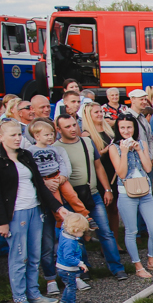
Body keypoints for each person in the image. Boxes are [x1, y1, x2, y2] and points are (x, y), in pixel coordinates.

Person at [0, 120, 69, 303]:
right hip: (15, 213)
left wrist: (58, 208)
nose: (17, 138)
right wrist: (2, 222)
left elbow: (40, 186)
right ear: (1, 137)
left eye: (19, 134)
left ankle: (33, 292)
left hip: (35, 209)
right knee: (20, 256)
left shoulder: (26, 155)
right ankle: (19, 297)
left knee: (35, 254)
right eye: (12, 135)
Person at [55, 113, 127, 280]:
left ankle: (117, 268)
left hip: (93, 194)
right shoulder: (56, 148)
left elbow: (98, 166)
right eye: (67, 127)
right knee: (76, 234)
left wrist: (107, 189)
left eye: (74, 125)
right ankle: (82, 269)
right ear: (58, 130)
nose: (73, 129)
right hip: (71, 198)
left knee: (105, 232)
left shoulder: (87, 141)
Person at [28, 120, 92, 295]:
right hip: (42, 202)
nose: (50, 137)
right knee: (48, 244)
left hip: (59, 191)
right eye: (46, 134)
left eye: (51, 134)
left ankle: (74, 276)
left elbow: (65, 167)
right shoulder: (29, 152)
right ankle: (50, 279)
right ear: (36, 136)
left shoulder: (57, 150)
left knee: (69, 240)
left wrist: (60, 178)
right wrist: (45, 183)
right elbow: (32, 174)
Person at [109, 114, 153, 278]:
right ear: (118, 129)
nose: (126, 131)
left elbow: (148, 168)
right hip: (126, 193)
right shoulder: (114, 147)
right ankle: (138, 265)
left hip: (145, 191)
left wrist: (140, 150)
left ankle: (151, 260)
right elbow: (121, 172)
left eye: (129, 127)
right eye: (122, 128)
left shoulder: (141, 143)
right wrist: (125, 151)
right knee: (131, 231)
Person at [81, 101, 121, 251]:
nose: (100, 114)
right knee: (102, 212)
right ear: (88, 116)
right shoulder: (86, 134)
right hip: (98, 176)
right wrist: (105, 151)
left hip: (113, 173)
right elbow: (90, 158)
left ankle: (115, 241)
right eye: (96, 112)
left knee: (114, 210)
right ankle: (105, 245)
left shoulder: (109, 130)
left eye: (100, 111)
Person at [54, 212, 90, 303]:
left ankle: (64, 302)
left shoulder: (64, 233)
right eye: (82, 232)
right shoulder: (70, 243)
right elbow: (68, 257)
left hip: (62, 267)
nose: (82, 234)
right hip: (67, 269)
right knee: (72, 287)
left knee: (68, 285)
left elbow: (63, 226)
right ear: (75, 230)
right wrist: (80, 263)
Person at [124, 89, 153, 162]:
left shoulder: (142, 118)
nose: (144, 102)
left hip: (147, 158)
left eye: (145, 99)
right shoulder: (126, 117)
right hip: (135, 159)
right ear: (132, 100)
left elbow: (149, 138)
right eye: (141, 99)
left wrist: (152, 155)